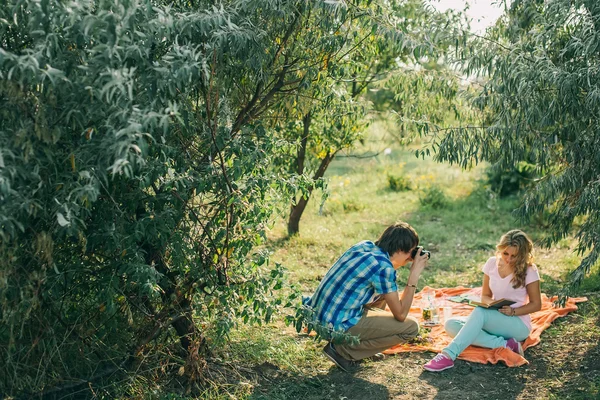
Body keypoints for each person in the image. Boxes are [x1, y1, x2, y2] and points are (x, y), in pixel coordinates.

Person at [304, 221, 430, 371]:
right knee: (410, 328)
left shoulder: (365, 246)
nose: (411, 257)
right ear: (399, 249)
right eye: (411, 252)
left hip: (318, 316)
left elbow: (385, 280)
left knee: (385, 293)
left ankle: (358, 349)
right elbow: (401, 315)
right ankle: (343, 351)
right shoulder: (383, 268)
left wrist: (404, 260)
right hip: (335, 326)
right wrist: (413, 275)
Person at [423, 229, 542, 372]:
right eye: (505, 253)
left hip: (517, 323)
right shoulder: (492, 263)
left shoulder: (530, 270)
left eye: (514, 256)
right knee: (451, 324)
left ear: (522, 255)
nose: (509, 259)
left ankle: (448, 355)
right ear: (500, 250)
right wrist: (487, 303)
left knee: (479, 313)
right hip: (494, 316)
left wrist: (513, 311)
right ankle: (506, 345)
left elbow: (536, 304)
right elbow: (485, 294)